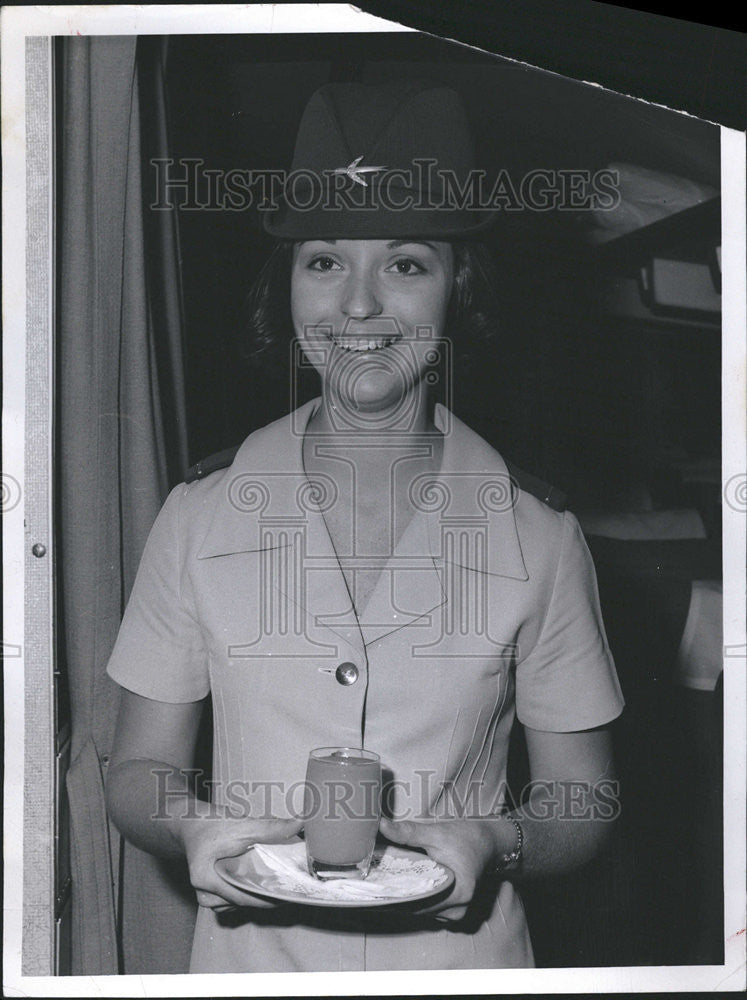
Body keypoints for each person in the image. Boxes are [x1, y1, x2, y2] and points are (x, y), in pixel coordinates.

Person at [105, 80, 624, 973]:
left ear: (460, 284)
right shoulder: (198, 513)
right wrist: (192, 827)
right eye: (324, 261)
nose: (357, 307)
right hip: (249, 970)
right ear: (290, 281)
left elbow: (584, 799)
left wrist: (495, 841)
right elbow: (137, 769)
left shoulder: (538, 533)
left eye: (407, 263)